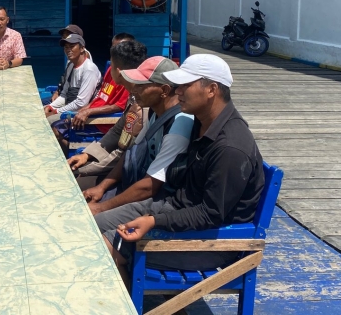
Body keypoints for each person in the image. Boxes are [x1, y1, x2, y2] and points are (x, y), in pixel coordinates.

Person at [99, 54, 265, 285]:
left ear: (212, 90)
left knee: (107, 246)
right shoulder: (201, 122)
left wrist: (154, 222)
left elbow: (210, 214)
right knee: (91, 225)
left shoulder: (230, 146)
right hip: (173, 210)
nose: (178, 92)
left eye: (185, 85)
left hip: (212, 242)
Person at [84, 56, 194, 216]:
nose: (134, 90)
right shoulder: (154, 113)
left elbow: (150, 186)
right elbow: (131, 152)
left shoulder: (179, 125)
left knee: (94, 218)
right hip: (137, 184)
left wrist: (102, 208)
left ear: (164, 91)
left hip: (160, 201)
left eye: (142, 86)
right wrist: (101, 187)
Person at [67, 41, 148, 187]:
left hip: (130, 173)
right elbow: (117, 131)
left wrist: (86, 168)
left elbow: (123, 153)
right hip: (118, 162)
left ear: (117, 71)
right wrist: (87, 154)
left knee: (75, 182)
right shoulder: (133, 95)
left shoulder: (141, 105)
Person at [49, 34, 133, 155]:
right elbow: (100, 95)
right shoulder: (111, 68)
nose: (116, 52)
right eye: (113, 49)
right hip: (91, 114)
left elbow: (119, 106)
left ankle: (75, 160)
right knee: (56, 126)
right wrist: (85, 109)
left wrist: (88, 111)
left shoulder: (127, 76)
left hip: (102, 122)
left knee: (56, 129)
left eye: (121, 48)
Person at [44, 34, 101, 154]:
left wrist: (56, 112)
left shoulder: (89, 69)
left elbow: (81, 103)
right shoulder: (71, 65)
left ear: (82, 48)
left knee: (46, 122)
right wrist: (51, 107)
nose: (68, 50)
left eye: (72, 46)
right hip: (69, 108)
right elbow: (64, 94)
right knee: (41, 112)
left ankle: (65, 154)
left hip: (79, 113)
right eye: (66, 47)